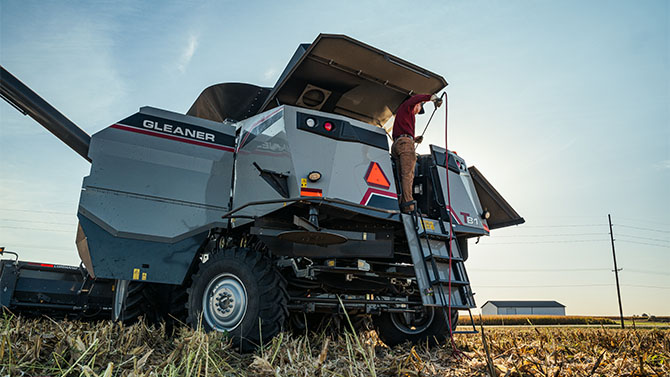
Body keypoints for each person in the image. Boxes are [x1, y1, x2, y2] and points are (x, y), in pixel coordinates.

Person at [391, 93, 442, 213]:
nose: (418, 111)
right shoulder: (408, 106)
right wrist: (432, 98)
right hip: (405, 144)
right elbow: (415, 99)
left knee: (399, 176)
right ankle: (408, 205)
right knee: (408, 175)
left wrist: (414, 139)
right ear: (417, 105)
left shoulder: (402, 112)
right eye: (419, 108)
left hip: (397, 144)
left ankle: (399, 202)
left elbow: (401, 133)